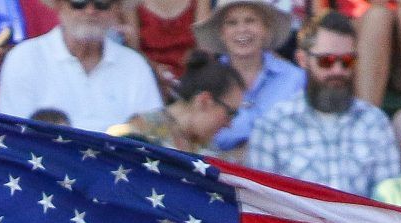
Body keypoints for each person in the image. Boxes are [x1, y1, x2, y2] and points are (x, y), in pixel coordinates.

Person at [246, 14, 400, 198]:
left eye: (347, 61)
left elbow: (388, 205)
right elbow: (263, 203)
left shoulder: (375, 123)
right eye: (326, 61)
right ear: (302, 60)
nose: (338, 70)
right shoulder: (272, 126)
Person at [0, 0, 162, 133]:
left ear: (116, 9)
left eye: (102, 3)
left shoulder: (134, 65)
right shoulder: (24, 58)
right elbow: (13, 139)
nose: (90, 10)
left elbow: (155, 136)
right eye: (78, 2)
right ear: (59, 4)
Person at [197, 0, 299, 154]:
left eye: (250, 20)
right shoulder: (206, 81)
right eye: (232, 23)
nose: (242, 30)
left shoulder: (295, 79)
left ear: (266, 28)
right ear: (221, 32)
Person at [111, 50, 242, 153]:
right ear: (204, 100)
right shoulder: (137, 133)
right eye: (230, 113)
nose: (229, 124)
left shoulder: (203, 145)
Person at [126, 0, 200, 87]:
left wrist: (193, 59)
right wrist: (153, 68)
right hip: (149, 73)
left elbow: (206, 41)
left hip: (192, 70)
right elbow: (133, 50)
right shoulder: (131, 3)